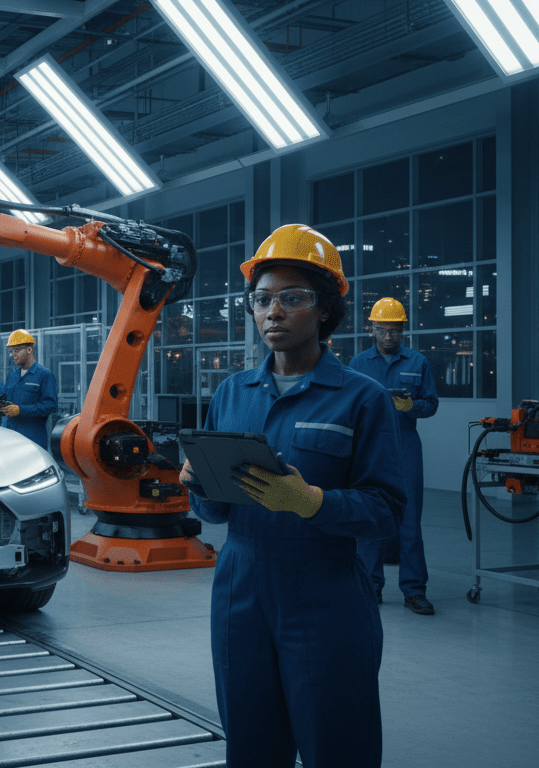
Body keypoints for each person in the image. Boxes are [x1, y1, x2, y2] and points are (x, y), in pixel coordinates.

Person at [179, 224, 405, 768]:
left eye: (292, 298)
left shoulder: (361, 399)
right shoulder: (233, 392)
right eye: (262, 300)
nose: (273, 312)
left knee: (336, 743)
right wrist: (199, 486)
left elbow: (388, 511)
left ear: (325, 310)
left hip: (325, 594)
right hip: (239, 589)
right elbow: (214, 511)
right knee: (250, 743)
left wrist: (314, 503)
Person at [348, 297, 439, 615]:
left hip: (406, 448)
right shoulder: (358, 364)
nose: (389, 337)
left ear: (403, 330)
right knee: (371, 518)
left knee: (410, 523)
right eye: (383, 330)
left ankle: (414, 590)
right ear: (372, 329)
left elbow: (431, 403)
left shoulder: (417, 363)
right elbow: (347, 407)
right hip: (371, 450)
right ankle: (370, 585)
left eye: (395, 331)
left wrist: (410, 406)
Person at [0, 329, 58, 448]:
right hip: (11, 438)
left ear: (29, 350)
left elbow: (50, 406)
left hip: (33, 440)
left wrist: (21, 410)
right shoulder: (12, 376)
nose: (12, 354)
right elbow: (7, 399)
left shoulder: (44, 375)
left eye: (17, 350)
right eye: (11, 351)